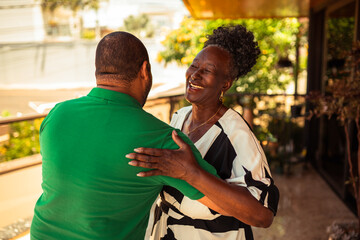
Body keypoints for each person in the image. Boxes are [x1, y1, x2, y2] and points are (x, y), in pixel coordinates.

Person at [30, 31, 220, 240]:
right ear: (145, 70)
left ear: (98, 72)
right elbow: (228, 205)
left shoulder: (57, 114)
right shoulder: (162, 139)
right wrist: (191, 173)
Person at [126, 25, 279, 239]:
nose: (195, 76)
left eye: (207, 71)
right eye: (194, 66)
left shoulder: (236, 134)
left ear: (226, 83)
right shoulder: (180, 116)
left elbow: (263, 216)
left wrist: (192, 173)